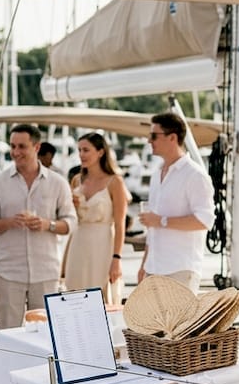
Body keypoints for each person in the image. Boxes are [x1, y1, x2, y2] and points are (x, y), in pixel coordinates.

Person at [0, 124, 77, 328]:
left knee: (46, 336)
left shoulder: (58, 183)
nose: (15, 152)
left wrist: (46, 224)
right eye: (13, 146)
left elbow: (71, 223)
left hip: (46, 271)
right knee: (9, 334)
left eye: (21, 146)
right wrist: (8, 222)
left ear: (36, 147)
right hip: (8, 271)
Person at [137, 113, 213, 292]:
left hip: (180, 269)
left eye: (154, 135)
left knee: (180, 321)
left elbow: (204, 221)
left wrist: (162, 221)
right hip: (153, 268)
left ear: (172, 137)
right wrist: (144, 266)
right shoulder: (157, 174)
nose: (149, 141)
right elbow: (152, 227)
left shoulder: (195, 175)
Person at [63, 132, 128, 303]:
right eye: (79, 150)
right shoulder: (77, 181)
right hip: (78, 243)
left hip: (103, 244)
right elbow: (69, 217)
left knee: (100, 297)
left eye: (86, 150)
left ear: (100, 152)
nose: (81, 155)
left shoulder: (115, 182)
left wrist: (117, 259)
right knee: (74, 296)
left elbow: (120, 225)